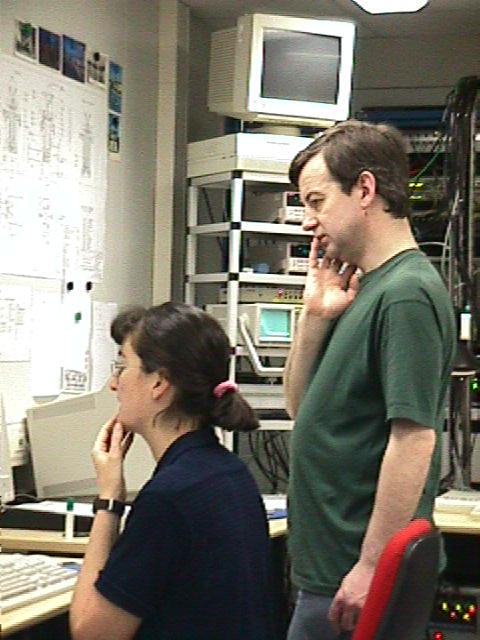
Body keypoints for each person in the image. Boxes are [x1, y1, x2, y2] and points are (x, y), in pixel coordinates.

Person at [284, 120, 456, 640]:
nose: (308, 222)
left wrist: (371, 565)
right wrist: (315, 317)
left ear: (364, 189)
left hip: (355, 576)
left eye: (317, 202)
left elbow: (414, 440)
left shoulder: (405, 295)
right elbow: (300, 409)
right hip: (329, 570)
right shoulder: (367, 289)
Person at [70, 302, 274, 640]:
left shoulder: (169, 498)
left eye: (123, 366)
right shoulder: (229, 472)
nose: (113, 384)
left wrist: (109, 501)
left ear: (159, 383)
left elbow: (93, 633)